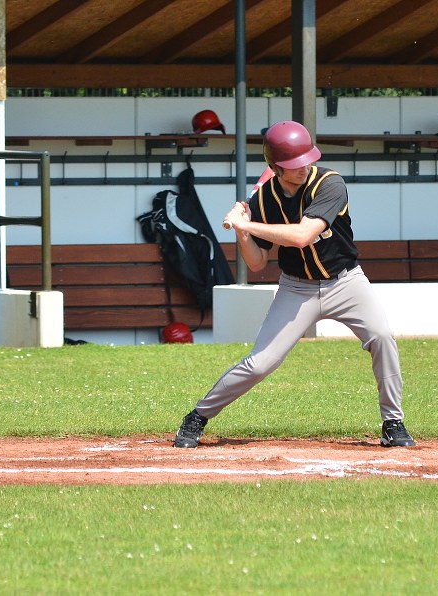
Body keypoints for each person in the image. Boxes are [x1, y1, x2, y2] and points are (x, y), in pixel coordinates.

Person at [173, 120, 415, 449]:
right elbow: (257, 263)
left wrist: (249, 221)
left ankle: (393, 422)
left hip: (346, 283)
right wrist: (244, 231)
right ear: (274, 167)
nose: (303, 168)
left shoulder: (330, 184)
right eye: (293, 165)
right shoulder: (264, 200)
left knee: (382, 337)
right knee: (261, 363)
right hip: (296, 289)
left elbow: (301, 236)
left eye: (306, 160)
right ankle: (198, 416)